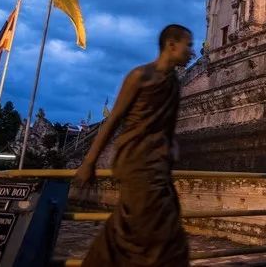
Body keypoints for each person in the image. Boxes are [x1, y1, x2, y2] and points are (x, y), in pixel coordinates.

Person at [75, 24, 194, 266]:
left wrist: (172, 150)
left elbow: (168, 127)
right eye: (188, 45)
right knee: (145, 234)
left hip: (158, 167)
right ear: (171, 45)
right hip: (137, 164)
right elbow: (113, 120)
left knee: (163, 231)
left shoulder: (173, 83)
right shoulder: (140, 76)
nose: (192, 52)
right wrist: (89, 162)